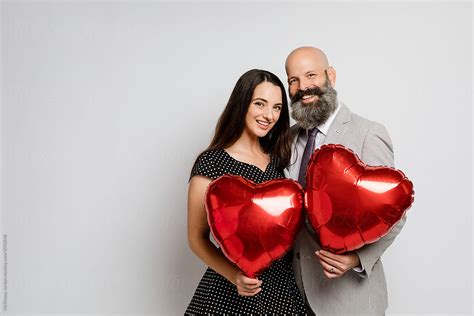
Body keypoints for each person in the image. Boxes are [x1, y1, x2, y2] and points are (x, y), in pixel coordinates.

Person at [285, 46, 407, 315]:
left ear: (331, 75)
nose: (303, 87)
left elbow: (394, 212)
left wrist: (356, 259)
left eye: (311, 75)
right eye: (293, 80)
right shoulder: (288, 139)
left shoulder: (368, 133)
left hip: (350, 299)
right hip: (296, 294)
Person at [185, 69, 307, 315]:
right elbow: (196, 238)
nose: (268, 115)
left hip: (281, 289)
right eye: (259, 104)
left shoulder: (280, 160)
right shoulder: (211, 163)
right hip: (229, 291)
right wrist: (235, 276)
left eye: (276, 107)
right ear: (242, 104)